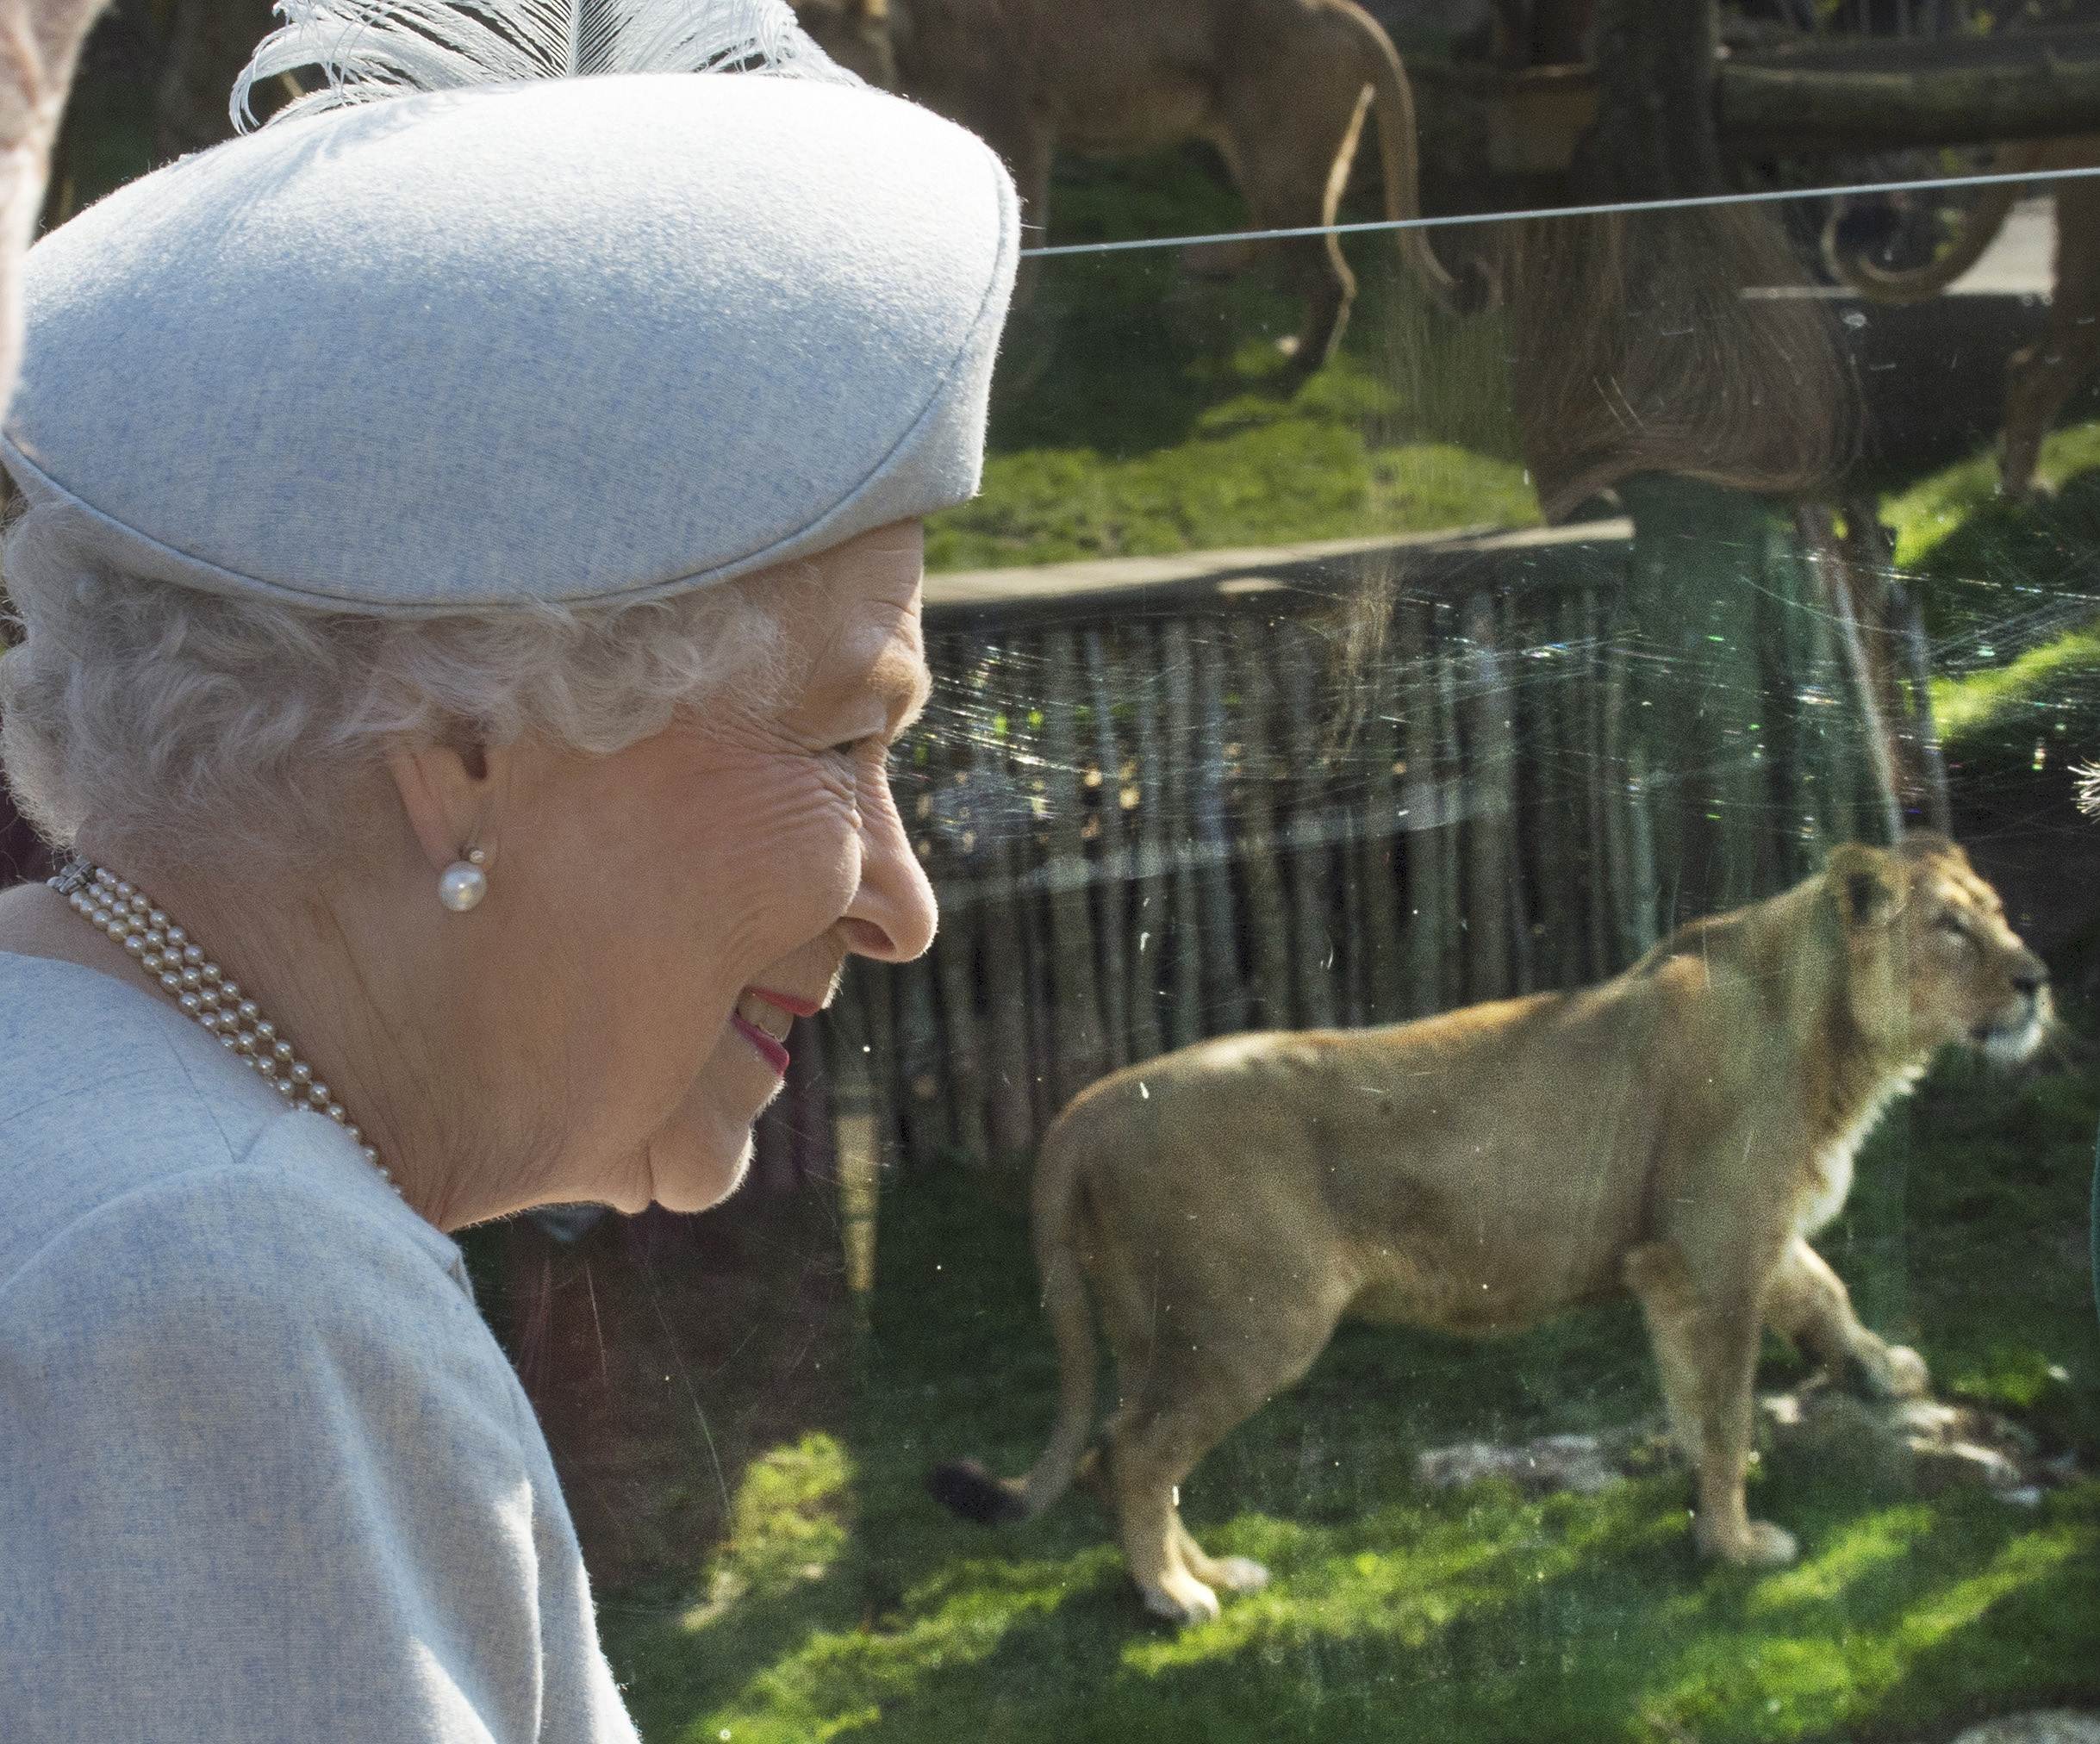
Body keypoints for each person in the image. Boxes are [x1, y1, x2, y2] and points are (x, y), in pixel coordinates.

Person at [0, 2, 1017, 1736]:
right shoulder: (211, 1284)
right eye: (843, 744)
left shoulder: (90, 1097)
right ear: (466, 748)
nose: (899, 899)